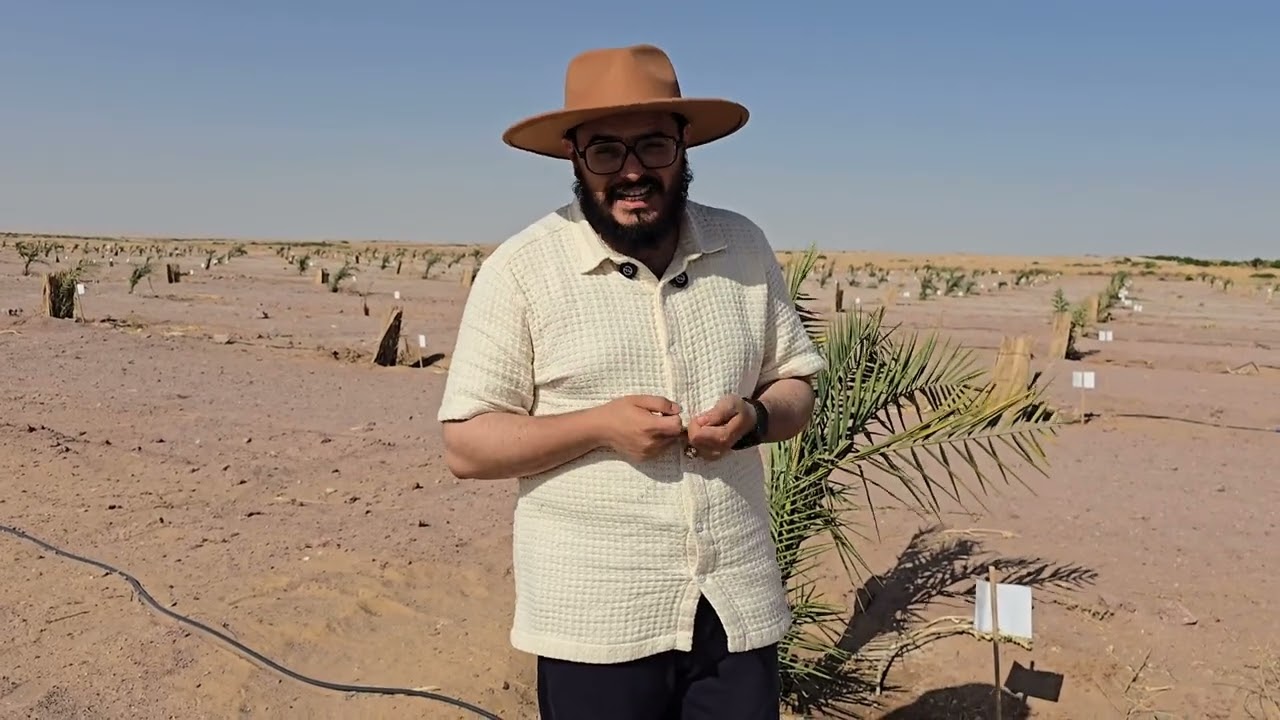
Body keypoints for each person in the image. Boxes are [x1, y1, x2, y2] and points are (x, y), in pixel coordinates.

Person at [437, 44, 825, 720]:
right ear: (573, 156)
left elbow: (797, 387)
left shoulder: (744, 247)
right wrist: (598, 427)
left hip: (736, 612)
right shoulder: (522, 270)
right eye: (606, 152)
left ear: (684, 146)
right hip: (595, 621)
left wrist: (754, 420)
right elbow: (466, 446)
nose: (633, 171)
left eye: (652, 145)